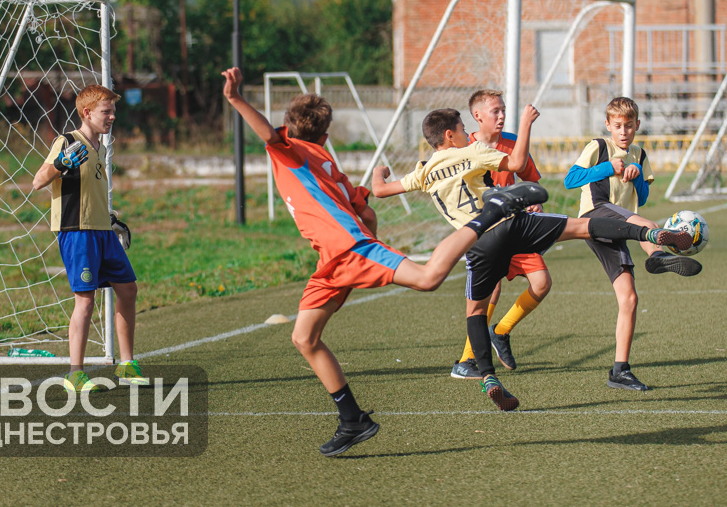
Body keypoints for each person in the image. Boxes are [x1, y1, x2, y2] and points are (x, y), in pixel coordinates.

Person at [222, 67, 545, 456]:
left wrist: (235, 98)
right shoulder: (328, 164)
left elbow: (268, 134)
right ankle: (353, 420)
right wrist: (370, 226)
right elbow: (368, 211)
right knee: (303, 338)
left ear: (290, 131)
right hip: (332, 260)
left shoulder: (288, 149)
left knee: (427, 278)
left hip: (350, 249)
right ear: (325, 136)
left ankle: (488, 215)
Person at [373, 105, 695, 411]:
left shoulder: (424, 172)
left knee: (476, 312)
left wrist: (379, 172)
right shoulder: (471, 152)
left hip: (477, 244)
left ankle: (488, 377)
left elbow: (380, 190)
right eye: (462, 129)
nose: (466, 133)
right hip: (509, 225)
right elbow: (516, 163)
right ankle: (649, 235)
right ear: (449, 136)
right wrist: (526, 122)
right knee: (583, 226)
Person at [564, 96, 702, 392]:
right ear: (607, 125)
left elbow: (643, 196)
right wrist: (607, 168)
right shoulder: (599, 147)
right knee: (649, 226)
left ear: (637, 125)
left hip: (618, 227)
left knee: (629, 299)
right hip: (596, 214)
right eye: (617, 126)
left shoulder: (639, 154)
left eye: (628, 125)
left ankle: (620, 370)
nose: (623, 131)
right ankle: (658, 256)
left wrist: (636, 176)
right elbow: (570, 180)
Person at [32, 84, 147, 393]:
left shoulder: (101, 148)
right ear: (87, 113)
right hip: (77, 231)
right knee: (85, 300)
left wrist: (108, 218)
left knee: (128, 289)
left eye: (113, 111)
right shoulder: (67, 141)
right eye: (106, 111)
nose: (112, 117)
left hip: (102, 231)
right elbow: (38, 181)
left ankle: (127, 364)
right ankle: (75, 374)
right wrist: (60, 164)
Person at [450, 89, 551, 379]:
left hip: (515, 230)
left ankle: (501, 331)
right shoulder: (463, 148)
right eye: (496, 111)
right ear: (477, 115)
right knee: (489, 290)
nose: (502, 115)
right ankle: (466, 360)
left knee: (542, 283)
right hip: (485, 233)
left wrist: (534, 201)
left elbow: (532, 182)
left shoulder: (513, 144)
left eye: (503, 110)